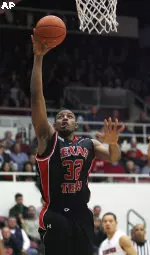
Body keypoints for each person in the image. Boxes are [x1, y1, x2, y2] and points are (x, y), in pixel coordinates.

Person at [30, 32, 125, 255]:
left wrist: (112, 144)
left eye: (69, 115)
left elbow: (114, 157)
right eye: (60, 116)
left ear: (76, 122)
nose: (64, 118)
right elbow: (36, 98)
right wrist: (38, 58)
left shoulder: (88, 143)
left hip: (81, 212)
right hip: (55, 213)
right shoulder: (48, 139)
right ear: (54, 123)